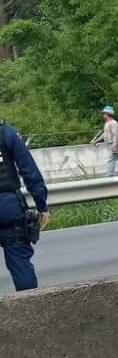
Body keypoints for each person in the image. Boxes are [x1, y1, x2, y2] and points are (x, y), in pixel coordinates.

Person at [0, 119, 49, 291]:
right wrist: (42, 206)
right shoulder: (6, 132)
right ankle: (31, 311)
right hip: (9, 209)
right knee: (20, 266)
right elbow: (29, 171)